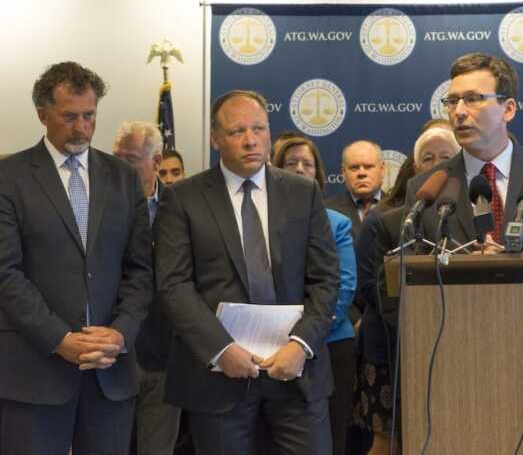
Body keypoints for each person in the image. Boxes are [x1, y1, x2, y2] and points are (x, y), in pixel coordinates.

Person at [155, 90, 340, 454]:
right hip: (219, 377)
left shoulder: (303, 193)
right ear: (215, 139)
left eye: (259, 128)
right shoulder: (184, 198)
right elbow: (173, 285)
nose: (251, 139)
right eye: (238, 130)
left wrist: (301, 345)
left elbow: (325, 278)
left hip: (295, 373)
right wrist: (220, 348)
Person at [0, 61, 153, 454]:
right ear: (42, 114)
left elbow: (140, 269)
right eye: (69, 116)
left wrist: (120, 333)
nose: (81, 127)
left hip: (110, 371)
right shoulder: (10, 177)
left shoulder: (122, 177)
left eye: (90, 116)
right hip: (35, 371)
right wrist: (59, 339)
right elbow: (6, 274)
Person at [406, 52, 523, 252]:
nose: (459, 112)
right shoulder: (425, 191)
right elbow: (412, 272)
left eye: (473, 99)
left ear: (508, 109)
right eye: (453, 101)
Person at [355, 126, 460, 455]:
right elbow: (369, 286)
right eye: (427, 158)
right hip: (390, 346)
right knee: (390, 442)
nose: (436, 163)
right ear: (414, 167)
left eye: (446, 157)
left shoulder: (474, 215)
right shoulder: (386, 220)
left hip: (455, 343)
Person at [273, 135, 357, 455]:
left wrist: (307, 336)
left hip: (330, 344)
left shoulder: (336, 223)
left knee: (328, 439)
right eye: (290, 162)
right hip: (272, 348)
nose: (299, 169)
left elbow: (344, 285)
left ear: (319, 174)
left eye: (307, 164)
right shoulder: (260, 221)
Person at [112, 121, 181, 455]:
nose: (119, 166)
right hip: (110, 352)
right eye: (116, 157)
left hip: (163, 353)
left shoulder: (181, 208)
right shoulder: (97, 205)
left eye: (130, 159)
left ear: (155, 162)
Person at [326, 140, 386, 240]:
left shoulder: (399, 209)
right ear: (343, 172)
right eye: (354, 167)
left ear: (382, 169)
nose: (361, 173)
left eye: (368, 167)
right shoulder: (327, 211)